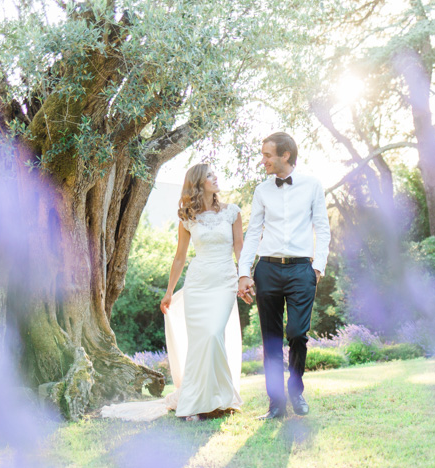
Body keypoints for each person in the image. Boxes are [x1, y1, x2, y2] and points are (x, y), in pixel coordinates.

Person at [100, 164, 246, 421]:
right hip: (198, 284)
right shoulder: (188, 217)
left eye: (215, 174)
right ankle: (203, 401)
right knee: (201, 342)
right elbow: (180, 257)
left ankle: (221, 397)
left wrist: (246, 277)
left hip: (224, 281)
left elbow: (239, 248)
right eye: (210, 176)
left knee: (214, 336)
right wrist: (169, 291)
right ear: (199, 184)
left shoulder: (232, 212)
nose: (216, 178)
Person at [237, 132, 331, 420]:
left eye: (267, 155)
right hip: (268, 268)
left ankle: (296, 391)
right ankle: (276, 404)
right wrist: (243, 273)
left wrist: (318, 267)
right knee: (271, 338)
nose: (262, 160)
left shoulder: (312, 185)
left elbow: (322, 228)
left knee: (297, 334)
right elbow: (253, 232)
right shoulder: (262, 190)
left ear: (285, 155)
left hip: (302, 269)